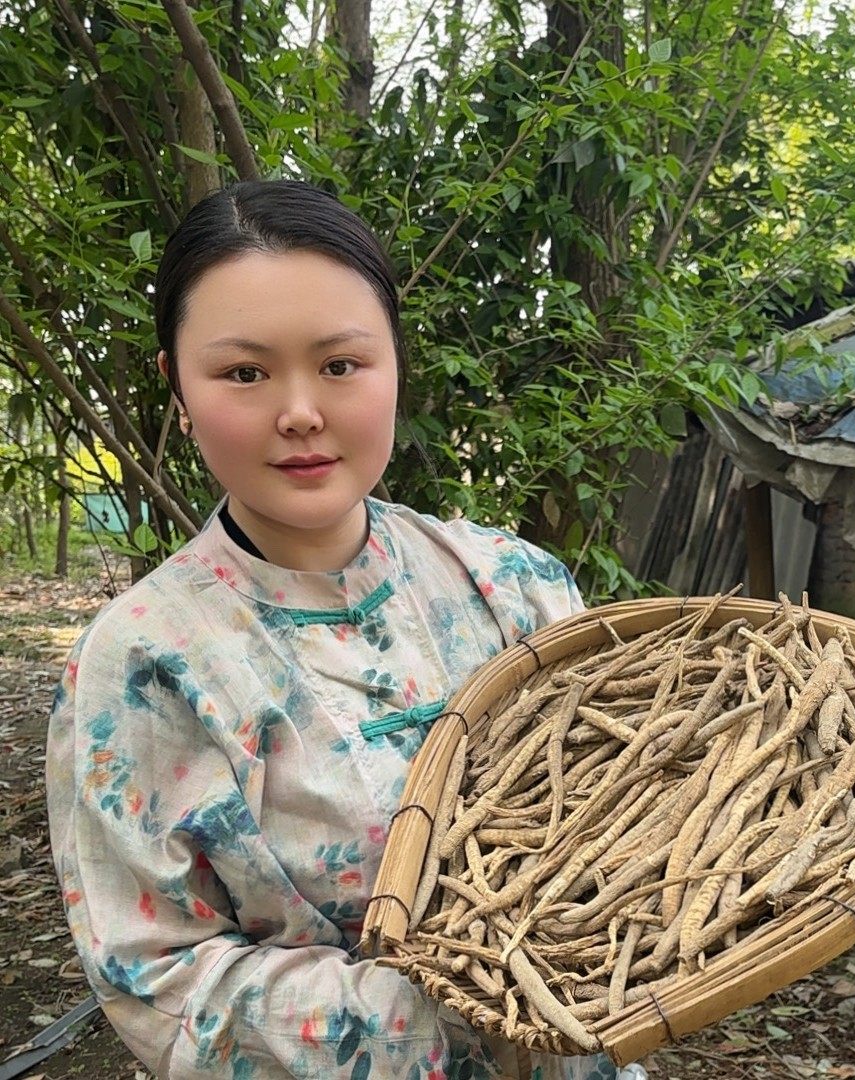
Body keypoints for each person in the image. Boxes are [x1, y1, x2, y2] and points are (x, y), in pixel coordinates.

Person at [46, 180, 619, 1079]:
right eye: (244, 372)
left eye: (342, 365)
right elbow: (156, 975)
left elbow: (636, 827)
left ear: (395, 364)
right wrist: (471, 1014)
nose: (301, 411)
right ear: (178, 390)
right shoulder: (146, 661)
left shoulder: (516, 586)